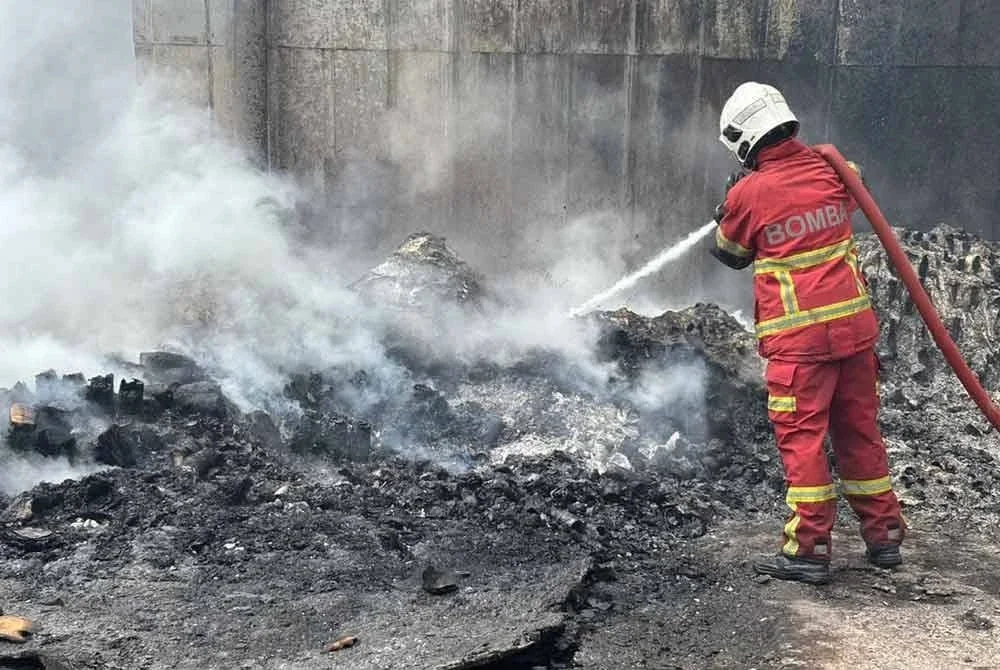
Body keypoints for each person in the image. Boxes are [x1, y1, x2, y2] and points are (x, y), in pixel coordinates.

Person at [709, 81, 906, 585]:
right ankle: (884, 536)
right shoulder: (834, 169)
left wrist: (728, 207)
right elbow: (854, 189)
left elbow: (729, 254)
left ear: (743, 139)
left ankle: (809, 549)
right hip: (855, 336)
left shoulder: (748, 193)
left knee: (804, 443)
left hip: (800, 348)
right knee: (860, 432)